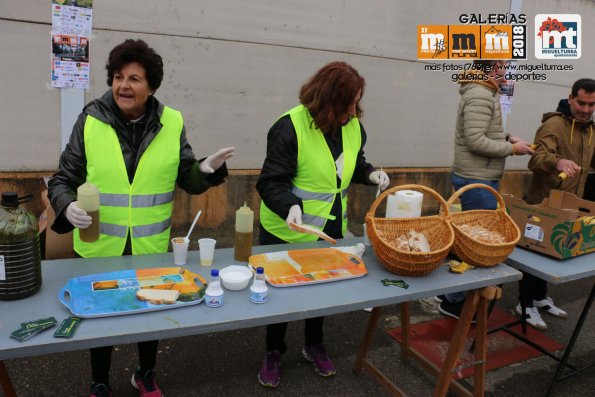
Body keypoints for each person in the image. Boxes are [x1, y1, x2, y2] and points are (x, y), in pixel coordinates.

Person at [48, 39, 234, 397]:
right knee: (99, 315)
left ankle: (145, 374)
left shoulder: (171, 122)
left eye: (134, 78)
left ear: (151, 86)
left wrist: (205, 169)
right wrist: (66, 204)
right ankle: (99, 380)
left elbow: (185, 176)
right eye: (118, 77)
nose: (123, 85)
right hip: (100, 244)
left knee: (153, 309)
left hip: (150, 244)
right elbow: (63, 178)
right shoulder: (90, 119)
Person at [255, 61, 389, 387]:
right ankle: (274, 350)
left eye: (357, 101)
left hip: (328, 228)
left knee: (322, 289)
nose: (354, 110)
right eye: (348, 102)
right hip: (287, 228)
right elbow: (271, 181)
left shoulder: (354, 125)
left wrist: (369, 173)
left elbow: (352, 163)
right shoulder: (289, 127)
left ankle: (314, 343)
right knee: (281, 294)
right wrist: (289, 206)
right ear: (328, 100)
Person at [438, 60, 534, 319]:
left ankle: (451, 296)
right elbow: (475, 140)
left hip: (478, 176)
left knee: (467, 240)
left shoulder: (483, 91)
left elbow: (482, 132)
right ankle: (455, 303)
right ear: (492, 68)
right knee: (475, 244)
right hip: (476, 178)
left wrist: (507, 138)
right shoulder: (481, 93)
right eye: (503, 67)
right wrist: (513, 150)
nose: (506, 73)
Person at [517, 78, 595, 330]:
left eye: (591, 104)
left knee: (551, 256)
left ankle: (539, 299)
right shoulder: (554, 124)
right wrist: (557, 162)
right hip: (541, 204)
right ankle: (524, 304)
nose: (585, 109)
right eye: (580, 102)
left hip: (568, 206)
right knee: (533, 255)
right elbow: (536, 159)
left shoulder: (590, 130)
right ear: (570, 98)